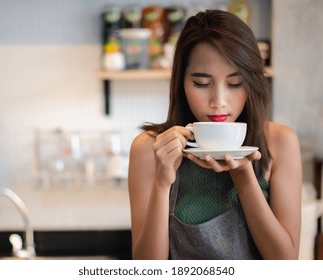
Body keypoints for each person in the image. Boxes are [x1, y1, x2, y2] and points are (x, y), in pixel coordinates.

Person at [128, 9, 302, 260]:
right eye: (201, 83)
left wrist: (243, 176)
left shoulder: (280, 142)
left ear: (252, 82)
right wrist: (162, 183)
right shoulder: (149, 149)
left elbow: (285, 263)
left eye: (234, 83)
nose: (218, 102)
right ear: (181, 83)